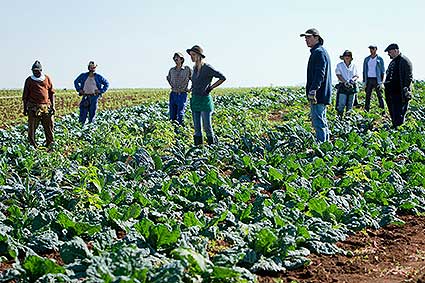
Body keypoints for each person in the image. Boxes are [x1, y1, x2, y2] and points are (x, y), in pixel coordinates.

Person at [186, 45, 226, 145]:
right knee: (197, 129)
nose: (191, 57)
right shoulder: (194, 68)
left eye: (193, 55)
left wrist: (211, 87)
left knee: (207, 127)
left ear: (199, 56)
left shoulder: (207, 68)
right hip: (195, 99)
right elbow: (196, 81)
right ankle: (199, 151)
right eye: (190, 55)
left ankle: (212, 150)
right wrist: (192, 87)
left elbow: (222, 77)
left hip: (204, 100)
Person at [299, 28, 332, 142]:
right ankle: (325, 146)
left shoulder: (319, 52)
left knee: (318, 121)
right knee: (321, 120)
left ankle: (322, 146)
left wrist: (313, 90)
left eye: (309, 37)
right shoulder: (319, 51)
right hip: (321, 93)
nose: (306, 40)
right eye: (305, 38)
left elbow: (320, 73)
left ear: (317, 37)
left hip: (319, 94)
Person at [22, 60, 55, 149]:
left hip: (45, 107)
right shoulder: (29, 80)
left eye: (38, 71)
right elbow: (25, 96)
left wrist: (53, 106)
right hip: (33, 107)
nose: (36, 72)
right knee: (32, 127)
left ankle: (50, 144)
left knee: (49, 127)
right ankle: (32, 145)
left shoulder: (47, 78)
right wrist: (25, 108)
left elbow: (51, 93)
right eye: (34, 71)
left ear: (41, 70)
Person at [383, 43, 413, 128]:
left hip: (400, 93)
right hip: (391, 92)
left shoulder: (404, 61)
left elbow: (408, 76)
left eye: (389, 52)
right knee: (393, 112)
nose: (388, 54)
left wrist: (406, 89)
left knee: (399, 113)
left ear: (396, 50)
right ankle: (395, 126)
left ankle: (398, 129)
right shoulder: (393, 62)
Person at [166, 52, 192, 125]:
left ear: (181, 59)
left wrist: (190, 89)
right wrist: (172, 85)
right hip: (173, 94)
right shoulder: (172, 70)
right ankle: (173, 131)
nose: (176, 59)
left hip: (182, 94)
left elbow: (194, 78)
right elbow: (168, 78)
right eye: (175, 58)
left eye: (177, 58)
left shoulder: (187, 69)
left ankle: (180, 130)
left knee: (180, 114)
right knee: (172, 115)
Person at [335, 50, 359, 117]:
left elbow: (356, 75)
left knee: (350, 105)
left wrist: (352, 80)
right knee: (341, 104)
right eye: (346, 56)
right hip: (343, 85)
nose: (347, 57)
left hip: (352, 86)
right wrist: (345, 82)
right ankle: (339, 119)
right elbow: (338, 74)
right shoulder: (339, 65)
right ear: (343, 57)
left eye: (348, 56)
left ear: (351, 57)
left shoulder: (353, 66)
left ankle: (348, 119)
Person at [363, 45, 385, 112]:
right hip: (369, 79)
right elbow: (364, 70)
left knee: (379, 95)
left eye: (372, 48)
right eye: (370, 49)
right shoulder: (367, 59)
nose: (371, 50)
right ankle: (366, 110)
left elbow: (382, 71)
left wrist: (381, 82)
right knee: (367, 96)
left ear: (376, 49)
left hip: (377, 79)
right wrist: (364, 81)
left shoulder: (380, 59)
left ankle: (382, 111)